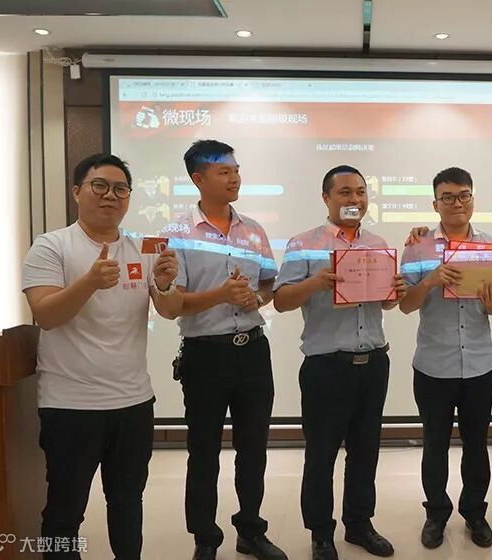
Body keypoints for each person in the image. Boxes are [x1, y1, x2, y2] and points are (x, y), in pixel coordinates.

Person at [22, 153, 182, 559]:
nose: (110, 195)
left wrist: (165, 285)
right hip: (69, 404)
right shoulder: (51, 246)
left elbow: (169, 310)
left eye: (120, 189)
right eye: (100, 186)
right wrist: (89, 282)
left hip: (133, 401)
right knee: (64, 510)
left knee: (127, 504)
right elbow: (46, 315)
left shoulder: (144, 247)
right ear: (77, 192)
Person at [273, 165, 407, 560]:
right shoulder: (304, 244)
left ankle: (359, 524)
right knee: (321, 454)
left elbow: (386, 304)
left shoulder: (378, 243)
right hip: (327, 366)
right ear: (326, 198)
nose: (354, 199)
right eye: (345, 192)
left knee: (366, 451)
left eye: (361, 192)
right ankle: (320, 533)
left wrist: (394, 292)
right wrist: (316, 282)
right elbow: (280, 301)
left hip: (374, 362)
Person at [164, 140, 286, 560]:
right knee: (204, 452)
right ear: (198, 179)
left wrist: (257, 299)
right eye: (224, 171)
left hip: (252, 351)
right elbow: (174, 303)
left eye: (236, 170)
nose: (235, 177)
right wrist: (221, 294)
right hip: (205, 355)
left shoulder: (253, 230)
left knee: (253, 449)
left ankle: (250, 530)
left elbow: (268, 285)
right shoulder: (179, 234)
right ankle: (205, 538)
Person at [399, 167, 492, 550]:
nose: (457, 203)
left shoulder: (491, 246)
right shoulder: (418, 247)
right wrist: (430, 280)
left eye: (463, 195)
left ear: (472, 199)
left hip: (480, 364)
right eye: (448, 197)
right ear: (435, 204)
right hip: (433, 365)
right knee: (435, 445)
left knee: (477, 445)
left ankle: (475, 513)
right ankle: (436, 514)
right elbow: (404, 305)